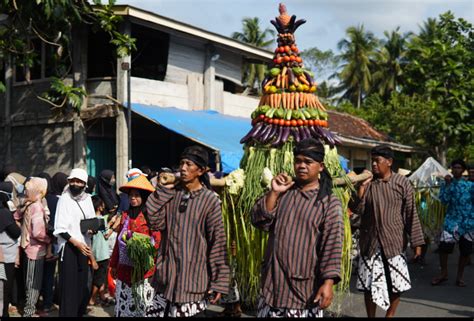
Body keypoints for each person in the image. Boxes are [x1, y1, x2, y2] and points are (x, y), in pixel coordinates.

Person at [250, 138, 343, 318]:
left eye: (308, 162)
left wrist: (328, 283)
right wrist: (274, 192)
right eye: (298, 161)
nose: (301, 166)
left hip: (303, 293)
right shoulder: (284, 193)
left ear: (321, 166)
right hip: (272, 287)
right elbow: (259, 221)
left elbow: (332, 247)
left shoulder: (329, 203)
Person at [146, 145, 230, 317]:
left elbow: (217, 241)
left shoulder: (209, 200)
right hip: (166, 278)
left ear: (200, 171)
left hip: (192, 281)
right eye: (181, 163)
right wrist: (163, 189)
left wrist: (219, 281)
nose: (183, 168)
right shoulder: (172, 195)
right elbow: (154, 221)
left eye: (188, 164)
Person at [349, 144, 424, 317]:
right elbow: (357, 210)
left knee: (396, 283)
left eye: (377, 161)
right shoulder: (367, 183)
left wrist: (417, 243)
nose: (373, 164)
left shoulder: (402, 183)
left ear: (389, 162)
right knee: (369, 285)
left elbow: (411, 214)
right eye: (372, 161)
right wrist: (361, 189)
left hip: (394, 243)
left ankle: (390, 314)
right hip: (370, 243)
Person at [109, 174, 160, 316]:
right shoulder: (125, 215)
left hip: (144, 272)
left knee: (143, 307)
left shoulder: (151, 216)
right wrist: (113, 264)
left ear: (144, 197)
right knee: (125, 307)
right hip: (124, 269)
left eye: (137, 195)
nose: (133, 198)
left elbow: (157, 241)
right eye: (131, 195)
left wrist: (145, 250)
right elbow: (118, 244)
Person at [53, 168, 97, 317]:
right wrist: (76, 243)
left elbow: (91, 221)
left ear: (84, 184)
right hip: (69, 247)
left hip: (84, 247)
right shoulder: (64, 199)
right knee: (68, 287)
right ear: (69, 181)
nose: (75, 184)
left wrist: (92, 230)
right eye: (73, 181)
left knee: (81, 284)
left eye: (79, 181)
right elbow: (60, 228)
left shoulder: (88, 199)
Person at [431, 160, 473, 287]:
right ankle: (444, 273)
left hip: (468, 223)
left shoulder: (470, 185)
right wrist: (448, 186)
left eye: (459, 167)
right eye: (454, 167)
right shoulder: (446, 184)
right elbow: (443, 200)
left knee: (465, 252)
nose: (456, 170)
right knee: (444, 249)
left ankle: (459, 277)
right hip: (451, 222)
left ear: (463, 170)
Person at [14, 177, 51, 317]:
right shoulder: (37, 207)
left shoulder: (27, 204)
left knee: (29, 281)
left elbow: (16, 216)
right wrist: (48, 239)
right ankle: (28, 313)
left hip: (27, 248)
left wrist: (24, 230)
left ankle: (29, 310)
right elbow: (38, 232)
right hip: (36, 251)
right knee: (34, 284)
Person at [0, 182, 21, 317]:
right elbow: (16, 232)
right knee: (4, 291)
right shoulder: (4, 213)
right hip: (5, 256)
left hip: (4, 254)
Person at [89, 196, 114, 307]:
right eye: (102, 204)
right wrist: (113, 224)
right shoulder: (101, 219)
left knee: (100, 276)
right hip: (102, 253)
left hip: (94, 252)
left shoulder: (90, 220)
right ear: (99, 207)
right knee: (99, 278)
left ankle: (102, 296)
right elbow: (106, 234)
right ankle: (92, 299)